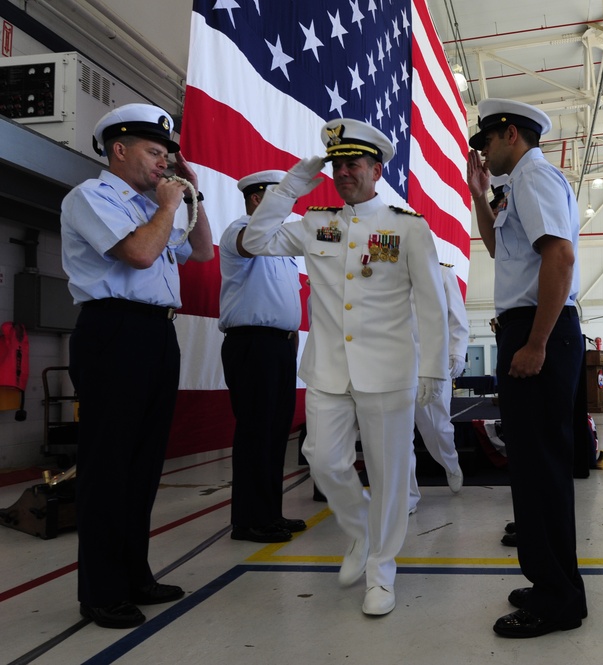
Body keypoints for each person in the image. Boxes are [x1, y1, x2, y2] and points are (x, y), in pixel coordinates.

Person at [242, 118, 449, 616]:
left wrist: (433, 370)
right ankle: (359, 531)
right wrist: (292, 184)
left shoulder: (407, 226)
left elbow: (432, 305)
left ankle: (382, 570)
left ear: (377, 169)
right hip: (329, 369)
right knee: (324, 459)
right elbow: (255, 240)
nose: (343, 172)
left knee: (389, 475)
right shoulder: (316, 222)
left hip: (389, 370)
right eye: (336, 163)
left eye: (353, 163)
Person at [61, 103, 215, 628]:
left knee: (145, 463)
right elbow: (141, 255)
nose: (163, 163)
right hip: (113, 332)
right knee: (108, 466)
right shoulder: (92, 197)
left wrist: (191, 193)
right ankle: (101, 591)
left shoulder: (159, 204)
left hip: (155, 334)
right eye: (154, 152)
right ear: (119, 149)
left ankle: (135, 575)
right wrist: (168, 206)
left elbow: (202, 251)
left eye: (168, 154)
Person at [466, 97, 587, 638]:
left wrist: (536, 342)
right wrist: (477, 196)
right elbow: (499, 249)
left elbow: (559, 258)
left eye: (486, 141)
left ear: (510, 133)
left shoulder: (536, 179)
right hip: (530, 326)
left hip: (539, 328)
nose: (483, 153)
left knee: (540, 470)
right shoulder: (519, 186)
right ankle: (550, 582)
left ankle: (557, 599)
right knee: (535, 468)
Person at [219, 170, 305, 543]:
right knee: (256, 432)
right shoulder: (239, 233)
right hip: (253, 343)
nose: (289, 207)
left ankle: (270, 513)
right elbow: (250, 244)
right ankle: (248, 520)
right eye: (281, 199)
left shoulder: (280, 244)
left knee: (275, 433)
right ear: (258, 200)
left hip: (281, 346)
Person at [409, 262, 469, 513]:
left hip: (431, 363)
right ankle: (407, 495)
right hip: (391, 363)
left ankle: (451, 463)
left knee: (437, 427)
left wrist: (457, 353)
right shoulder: (384, 271)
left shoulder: (442, 272)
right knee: (397, 434)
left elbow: (457, 316)